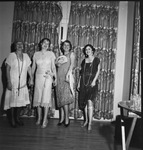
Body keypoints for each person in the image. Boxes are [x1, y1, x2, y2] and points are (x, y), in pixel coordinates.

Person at [4, 40, 33, 128]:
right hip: (13, 83)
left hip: (22, 84)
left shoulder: (26, 56)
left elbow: (29, 68)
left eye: (21, 44)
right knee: (13, 103)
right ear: (15, 46)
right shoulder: (11, 55)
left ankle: (17, 118)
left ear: (23, 46)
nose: (20, 45)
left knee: (20, 103)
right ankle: (12, 119)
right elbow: (7, 69)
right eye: (18, 44)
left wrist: (31, 78)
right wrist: (9, 82)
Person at [32, 38, 57, 128]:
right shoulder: (36, 54)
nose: (46, 44)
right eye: (44, 43)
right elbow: (33, 67)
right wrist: (31, 78)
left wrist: (55, 78)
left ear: (49, 45)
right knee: (38, 97)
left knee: (46, 98)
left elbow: (53, 67)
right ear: (41, 44)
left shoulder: (51, 54)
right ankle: (39, 118)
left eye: (48, 43)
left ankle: (45, 119)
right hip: (38, 77)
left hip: (48, 77)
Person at [77, 44, 100, 132]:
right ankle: (86, 120)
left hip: (92, 84)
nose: (87, 51)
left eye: (89, 49)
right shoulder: (84, 61)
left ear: (92, 50)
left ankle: (90, 123)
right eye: (86, 49)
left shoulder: (97, 60)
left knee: (90, 102)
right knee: (85, 103)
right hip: (83, 83)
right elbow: (81, 73)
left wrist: (94, 81)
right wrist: (79, 83)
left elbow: (98, 71)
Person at [56, 40, 75, 127]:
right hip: (59, 78)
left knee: (65, 99)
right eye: (64, 45)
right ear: (62, 47)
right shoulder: (60, 56)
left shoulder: (71, 54)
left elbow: (72, 66)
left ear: (70, 47)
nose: (66, 46)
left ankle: (67, 119)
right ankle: (61, 118)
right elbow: (57, 66)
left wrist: (68, 75)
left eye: (68, 45)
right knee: (60, 98)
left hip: (66, 78)